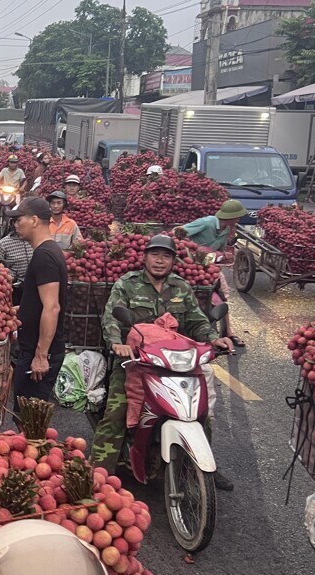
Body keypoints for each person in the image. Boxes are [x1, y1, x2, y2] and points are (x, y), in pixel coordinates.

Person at [91, 234, 234, 489]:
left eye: (165, 256)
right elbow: (111, 317)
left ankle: (203, 466)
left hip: (175, 364)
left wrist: (214, 339)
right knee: (116, 414)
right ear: (144, 257)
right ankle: (96, 475)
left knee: (198, 413)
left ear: (173, 261)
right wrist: (117, 342)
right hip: (136, 363)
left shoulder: (181, 287)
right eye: (155, 255)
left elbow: (197, 320)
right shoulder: (127, 284)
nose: (159, 261)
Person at [5, 197, 67, 408]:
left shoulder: (44, 256)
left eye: (18, 219)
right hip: (34, 348)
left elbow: (52, 307)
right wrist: (20, 310)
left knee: (30, 418)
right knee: (27, 414)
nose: (15, 224)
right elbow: (43, 302)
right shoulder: (48, 251)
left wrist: (41, 355)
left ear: (33, 220)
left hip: (38, 352)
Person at [175, 199, 248, 347]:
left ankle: (229, 332)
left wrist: (224, 255)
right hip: (189, 263)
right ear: (230, 217)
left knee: (222, 295)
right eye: (237, 217)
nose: (239, 220)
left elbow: (220, 250)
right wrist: (188, 248)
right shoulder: (206, 222)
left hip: (207, 267)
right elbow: (177, 232)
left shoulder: (227, 230)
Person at [0, 226, 34, 306]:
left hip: (35, 286)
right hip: (15, 289)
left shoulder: (34, 240)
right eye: (16, 221)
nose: (17, 224)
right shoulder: (3, 244)